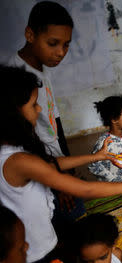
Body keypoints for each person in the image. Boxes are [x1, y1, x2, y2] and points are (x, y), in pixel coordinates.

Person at [0, 65, 122, 263]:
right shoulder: (18, 160)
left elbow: (52, 165)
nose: (40, 108)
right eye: (33, 104)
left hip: (38, 242)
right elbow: (85, 189)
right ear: (12, 113)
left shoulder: (14, 151)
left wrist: (97, 156)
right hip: (33, 253)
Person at [9, 1, 73, 158]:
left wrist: (66, 159)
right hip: (40, 162)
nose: (60, 52)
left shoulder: (42, 66)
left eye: (66, 45)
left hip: (55, 157)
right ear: (30, 35)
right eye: (53, 43)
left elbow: (53, 116)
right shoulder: (14, 75)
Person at [88, 94, 122, 182]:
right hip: (114, 187)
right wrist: (113, 179)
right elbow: (93, 165)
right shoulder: (104, 142)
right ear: (114, 119)